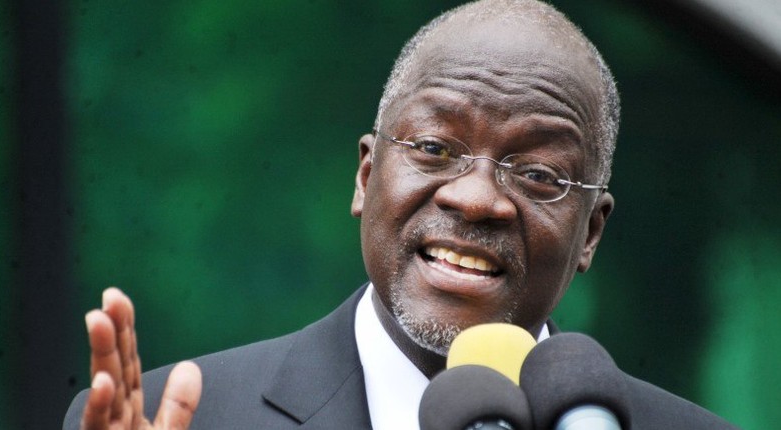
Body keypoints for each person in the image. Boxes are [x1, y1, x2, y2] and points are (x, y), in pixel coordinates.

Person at [64, 0, 739, 428]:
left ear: (590, 231)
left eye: (537, 173)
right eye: (434, 147)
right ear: (366, 176)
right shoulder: (188, 418)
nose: (475, 198)